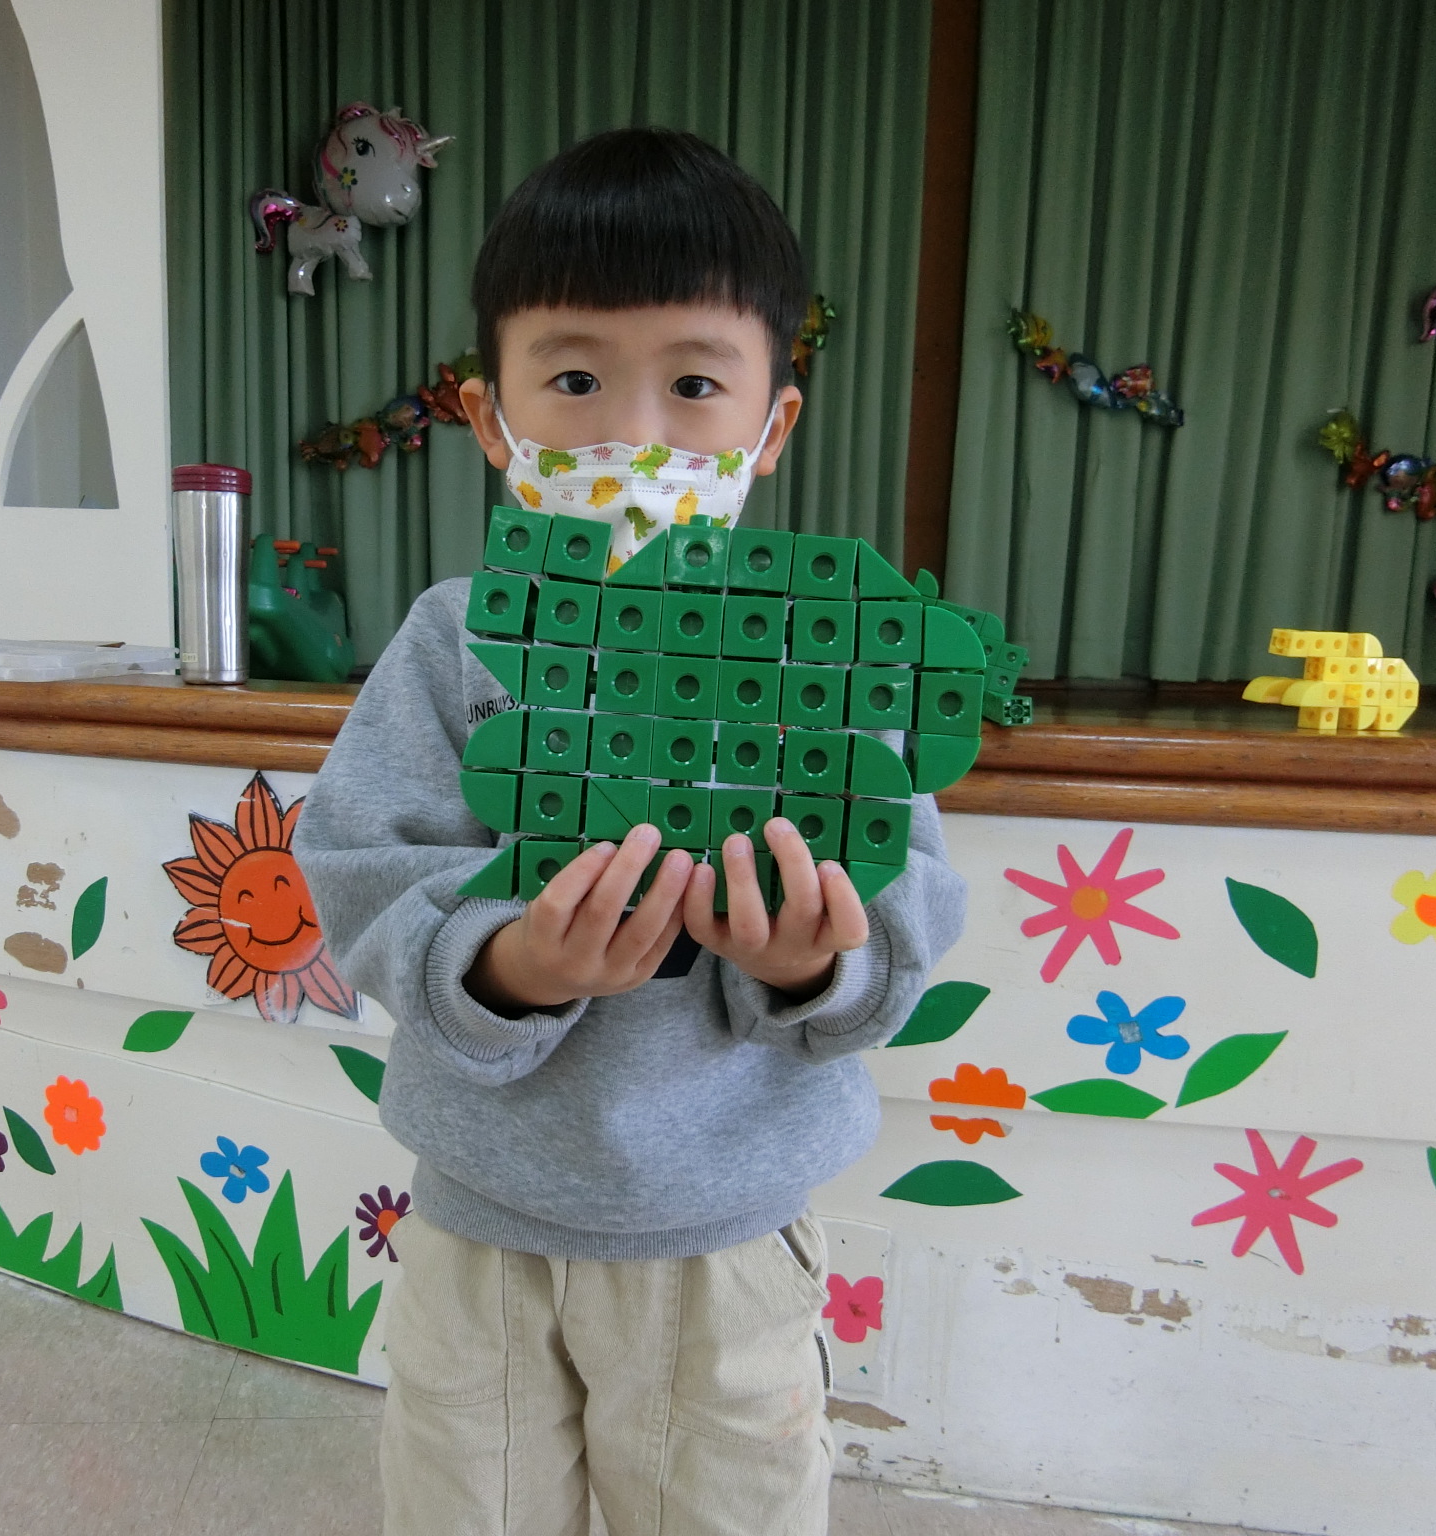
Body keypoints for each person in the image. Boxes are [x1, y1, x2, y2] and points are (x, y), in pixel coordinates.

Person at [290, 126, 968, 1536]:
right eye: (577, 380)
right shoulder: (456, 637)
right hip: (483, 1216)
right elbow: (360, 861)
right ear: (492, 417)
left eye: (696, 384)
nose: (635, 436)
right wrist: (506, 966)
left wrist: (811, 960)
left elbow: (908, 896)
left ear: (773, 425)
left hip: (729, 1231)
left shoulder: (826, 650)